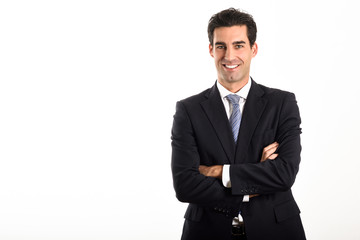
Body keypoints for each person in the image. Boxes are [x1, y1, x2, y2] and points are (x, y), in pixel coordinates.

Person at [171, 8, 306, 240]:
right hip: (207, 232)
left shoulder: (282, 103)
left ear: (253, 49)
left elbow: (284, 173)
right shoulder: (188, 110)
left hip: (275, 229)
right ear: (211, 50)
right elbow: (185, 185)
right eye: (221, 46)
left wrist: (219, 172)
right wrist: (252, 183)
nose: (229, 56)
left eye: (239, 45)